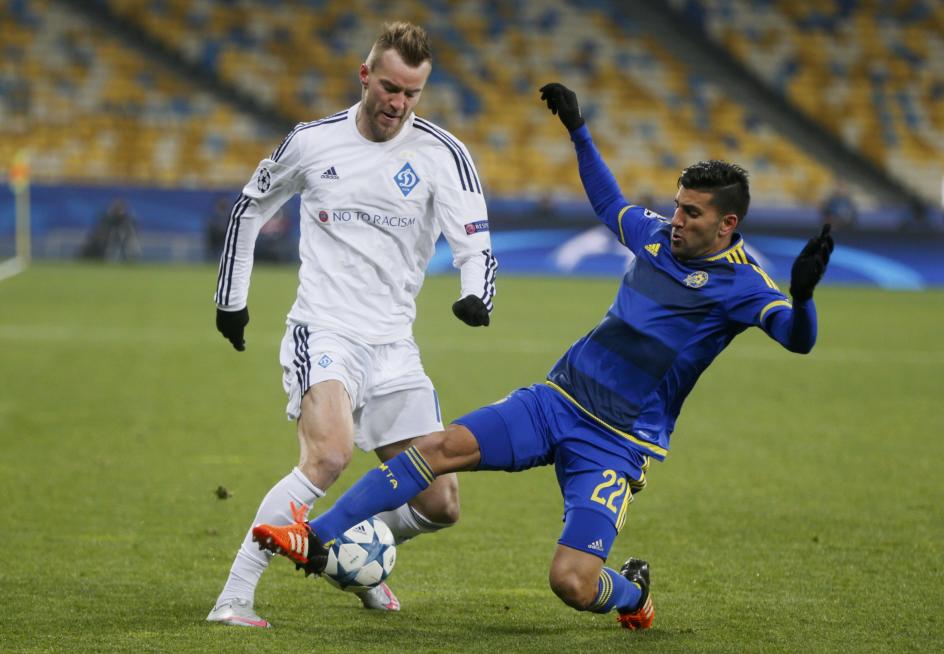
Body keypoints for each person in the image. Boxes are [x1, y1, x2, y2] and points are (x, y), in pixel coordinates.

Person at [249, 82, 835, 631]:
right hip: (557, 400)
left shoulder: (745, 285)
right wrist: (578, 130)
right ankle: (315, 536)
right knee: (438, 448)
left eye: (692, 214)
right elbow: (610, 203)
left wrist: (803, 297)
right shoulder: (657, 237)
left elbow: (797, 338)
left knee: (572, 584)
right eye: (678, 206)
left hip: (617, 442)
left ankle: (633, 593)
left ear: (727, 224)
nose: (676, 219)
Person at [207, 22, 498, 628]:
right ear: (365, 76)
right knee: (331, 455)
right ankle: (234, 597)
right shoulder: (312, 142)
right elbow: (250, 207)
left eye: (412, 94)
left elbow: (475, 245)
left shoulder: (443, 155)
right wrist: (231, 298)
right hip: (326, 329)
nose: (398, 103)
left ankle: (340, 549)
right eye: (390, 87)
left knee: (440, 501)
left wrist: (477, 296)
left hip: (395, 346)